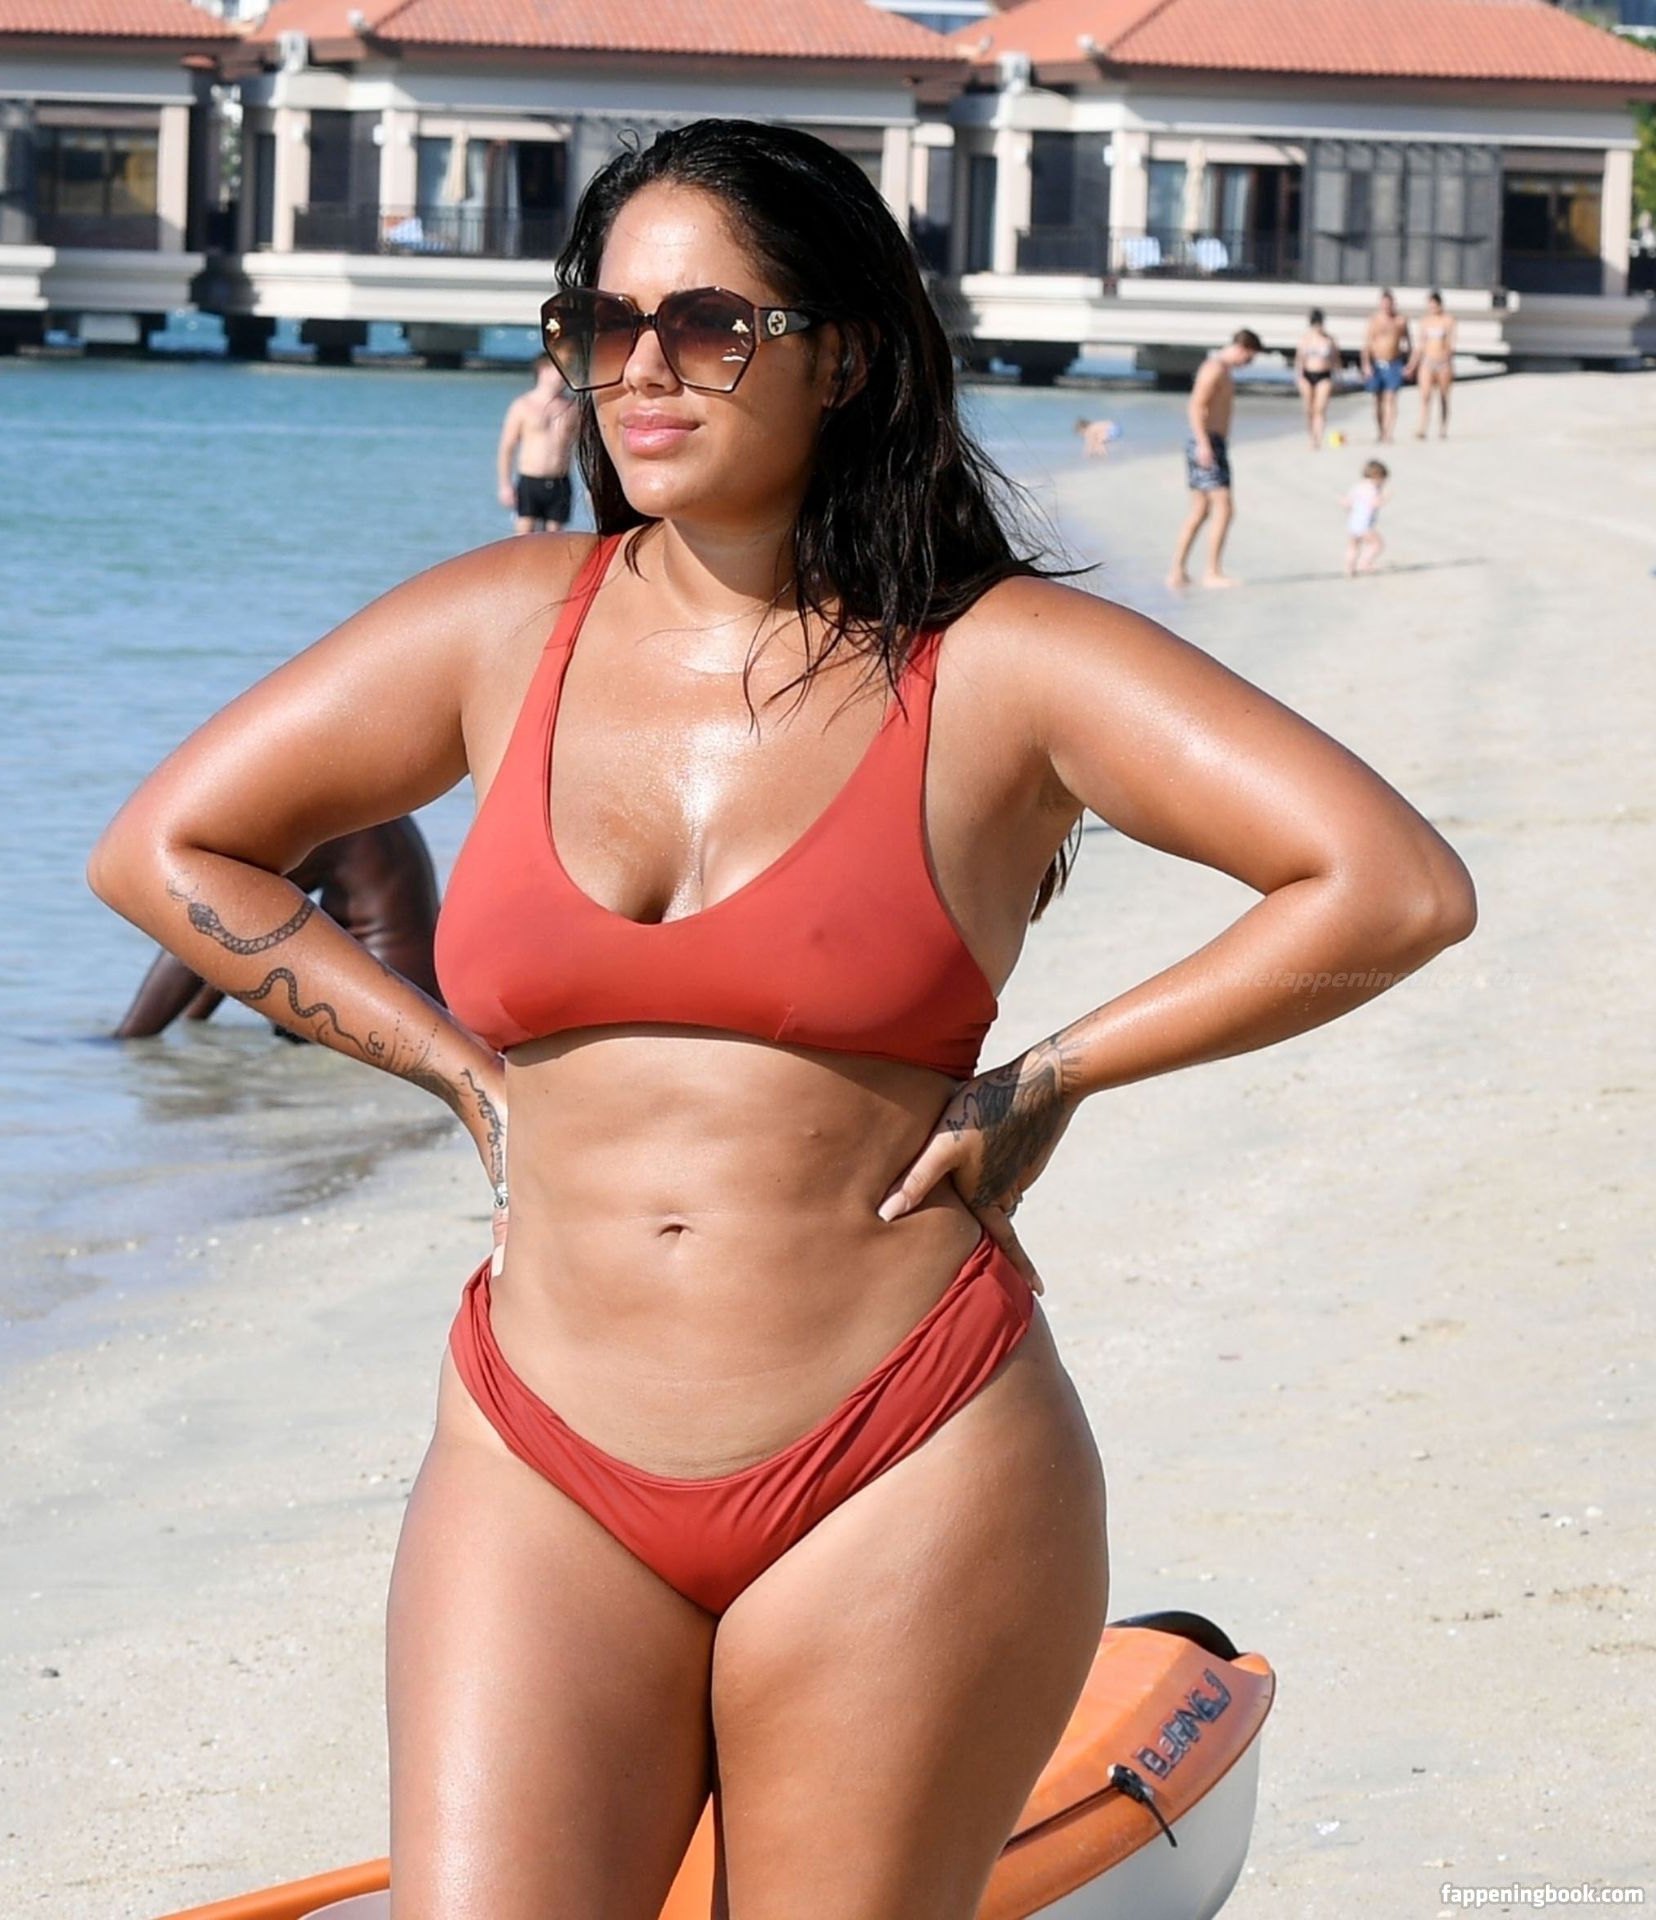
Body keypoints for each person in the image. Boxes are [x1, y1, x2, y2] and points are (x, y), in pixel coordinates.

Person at [87, 119, 1476, 1917]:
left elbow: (1388, 887)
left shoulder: (999, 662)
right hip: (536, 1453)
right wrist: (450, 1067)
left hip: (900, 1459)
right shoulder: (499, 630)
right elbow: (166, 851)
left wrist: (1054, 1075)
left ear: (850, 355)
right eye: (603, 324)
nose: (640, 370)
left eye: (707, 324)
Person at [111, 817, 440, 1038]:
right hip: (412, 1002)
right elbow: (239, 941)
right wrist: (193, 1023)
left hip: (372, 1013)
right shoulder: (377, 815)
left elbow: (226, 922)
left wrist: (130, 1038)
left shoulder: (339, 828)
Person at [1168, 326, 1263, 590]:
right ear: (1242, 348)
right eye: (1249, 357)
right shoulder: (1215, 369)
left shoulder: (1221, 369)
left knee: (1200, 510)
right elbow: (1196, 405)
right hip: (1206, 442)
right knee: (1224, 507)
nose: (1248, 363)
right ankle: (1212, 572)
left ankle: (1177, 571)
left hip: (1209, 442)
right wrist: (1203, 443)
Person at [497, 356, 579, 532]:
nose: (564, 375)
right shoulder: (522, 406)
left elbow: (587, 448)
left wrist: (592, 487)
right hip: (530, 481)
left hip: (560, 481)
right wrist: (505, 485)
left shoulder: (572, 408)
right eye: (559, 370)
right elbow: (507, 448)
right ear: (543, 371)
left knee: (554, 538)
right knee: (524, 537)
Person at [1360, 290, 1412, 444]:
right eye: (1384, 304)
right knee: (1377, 400)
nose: (1386, 306)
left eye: (1389, 303)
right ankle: (1380, 430)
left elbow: (1408, 344)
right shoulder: (1374, 321)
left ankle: (1389, 433)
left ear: (1393, 304)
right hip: (1376, 362)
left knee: (1391, 398)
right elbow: (1367, 344)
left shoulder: (1400, 321)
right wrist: (1366, 364)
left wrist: (1409, 365)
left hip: (1394, 362)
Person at [1409, 290, 1457, 440]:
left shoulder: (1448, 320)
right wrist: (1412, 364)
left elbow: (1451, 344)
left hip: (1443, 363)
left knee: (1443, 396)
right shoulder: (1425, 321)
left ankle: (1442, 428)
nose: (1432, 308)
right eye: (1430, 305)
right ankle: (1422, 427)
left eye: (1434, 305)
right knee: (1425, 396)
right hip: (1427, 362)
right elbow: (1420, 345)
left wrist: (1447, 359)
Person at [1294, 307, 1340, 449]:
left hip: (1324, 375)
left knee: (1320, 409)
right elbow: (1299, 360)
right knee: (1309, 409)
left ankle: (1318, 439)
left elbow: (1336, 360)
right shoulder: (1305, 339)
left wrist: (1338, 377)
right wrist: (1299, 377)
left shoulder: (1329, 340)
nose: (1318, 327)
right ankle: (1311, 437)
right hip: (1307, 375)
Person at [1343, 459, 1389, 577]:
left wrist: (1349, 511)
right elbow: (1374, 504)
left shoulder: (1357, 487)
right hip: (1365, 524)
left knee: (1353, 546)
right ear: (1377, 477)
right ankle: (1365, 562)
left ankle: (1349, 569)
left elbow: (1346, 502)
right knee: (1377, 544)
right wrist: (1384, 498)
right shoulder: (1373, 490)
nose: (1382, 484)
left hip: (1353, 522)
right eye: (1383, 480)